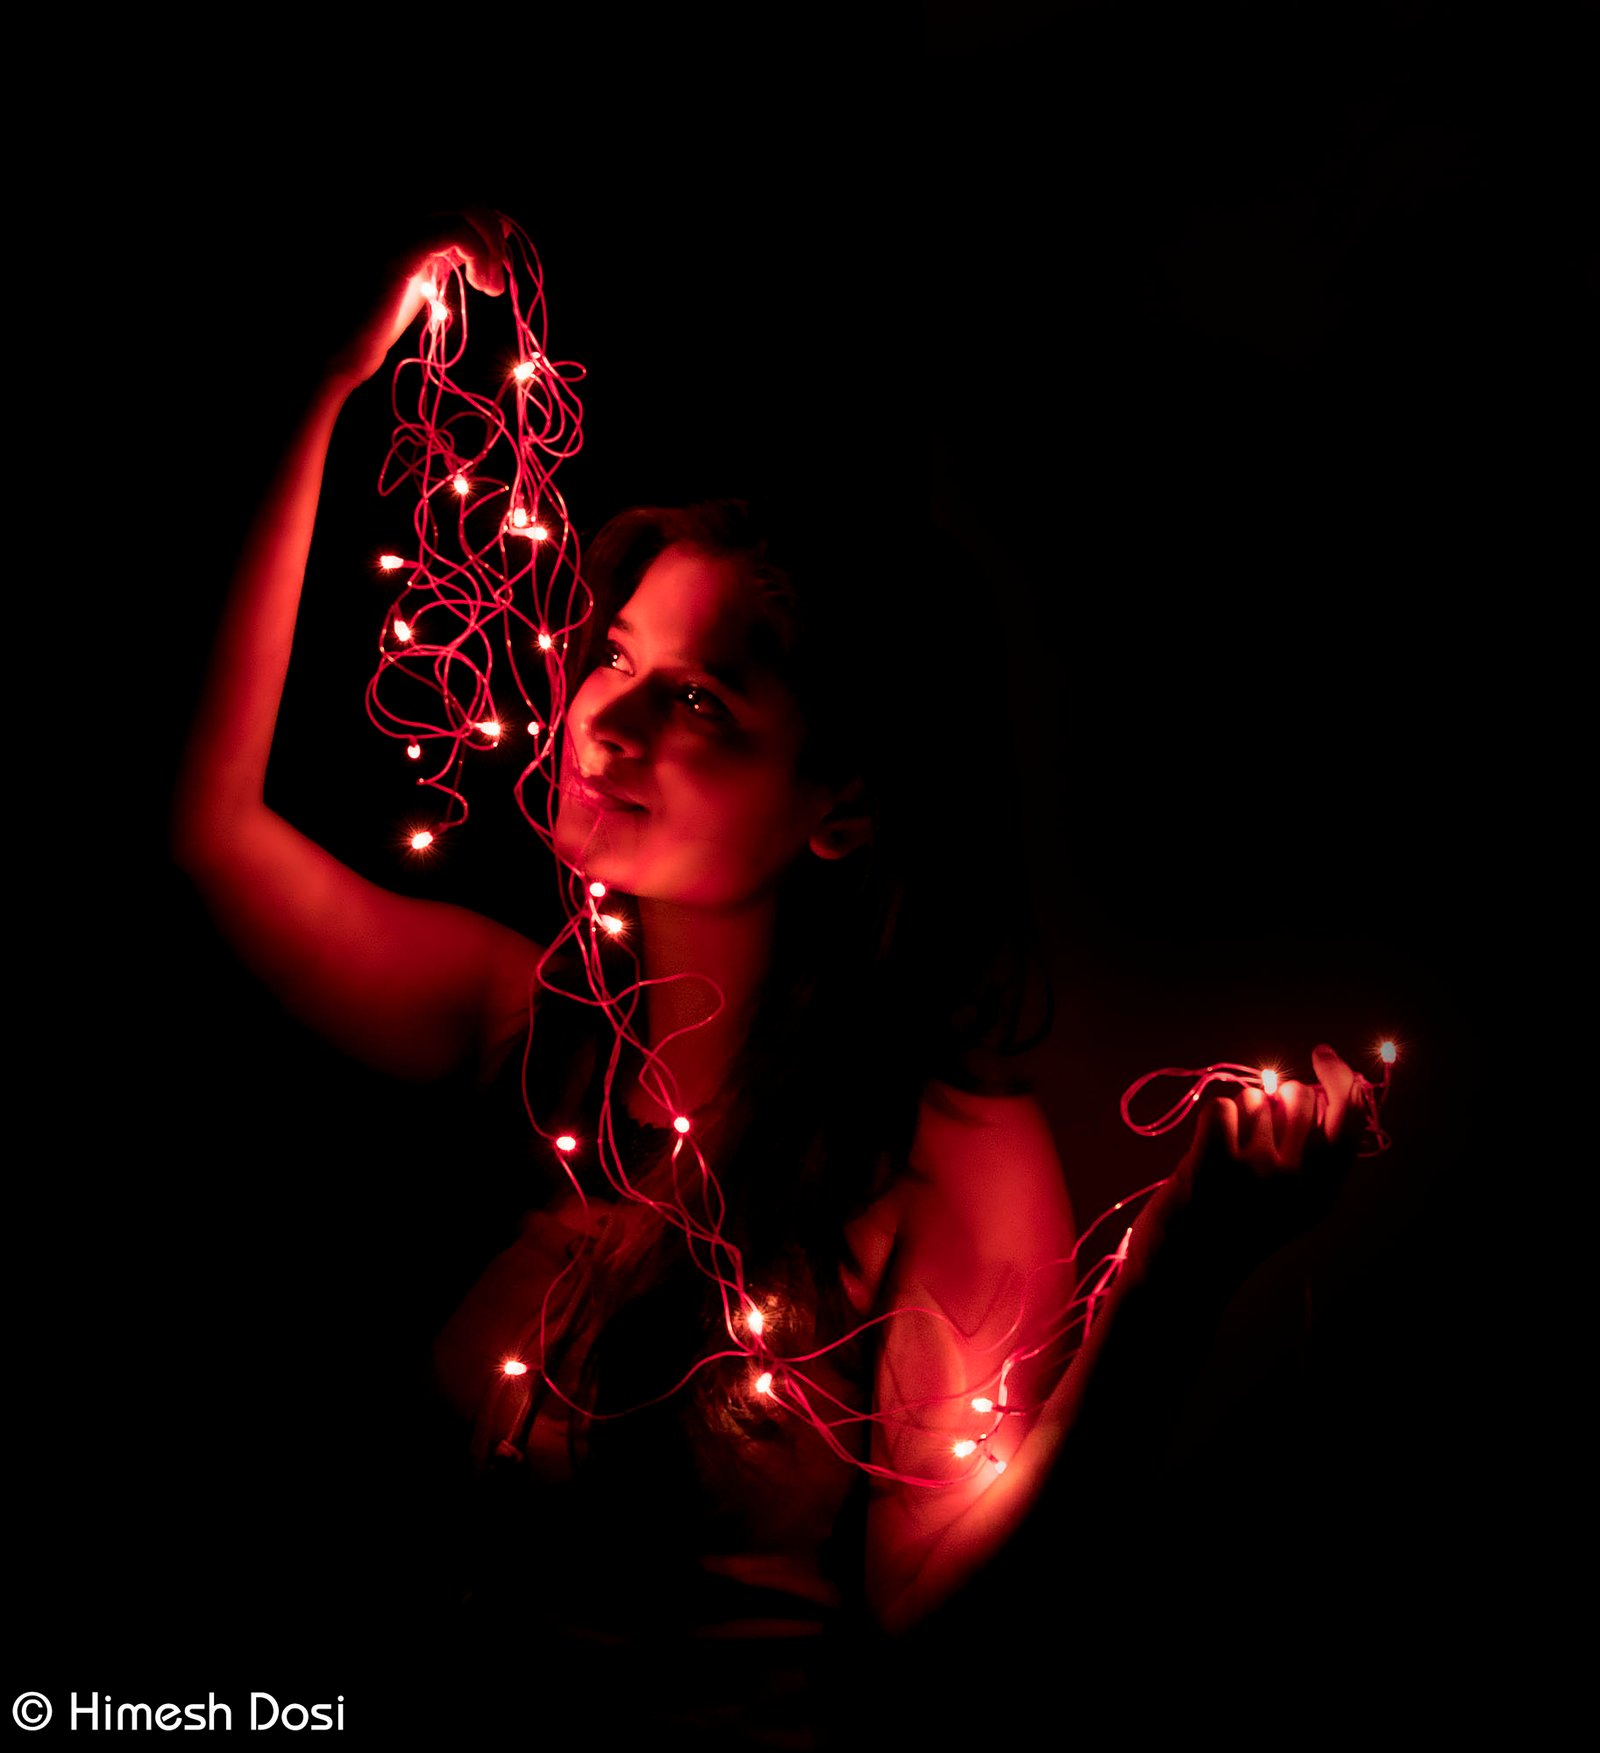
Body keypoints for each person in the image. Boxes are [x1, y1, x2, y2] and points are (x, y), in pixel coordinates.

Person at [171, 212, 1371, 1731]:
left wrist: (1183, 1270)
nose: (604, 720)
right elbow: (204, 833)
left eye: (701, 703)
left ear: (841, 807)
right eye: (615, 653)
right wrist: (327, 383)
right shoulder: (527, 1031)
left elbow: (936, 1604)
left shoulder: (944, 1158)